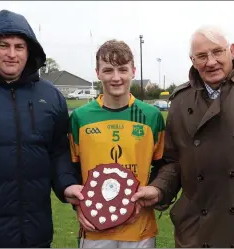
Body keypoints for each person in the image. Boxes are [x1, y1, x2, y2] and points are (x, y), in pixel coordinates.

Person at [131, 26, 234, 248]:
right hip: (197, 231)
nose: (211, 62)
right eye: (201, 56)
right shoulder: (181, 102)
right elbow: (174, 162)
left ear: (232, 51)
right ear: (192, 59)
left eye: (217, 52)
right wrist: (159, 188)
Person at [0, 10, 79, 247]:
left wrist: (66, 185)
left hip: (35, 234)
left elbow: (58, 151)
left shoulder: (51, 96)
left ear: (29, 51)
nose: (12, 54)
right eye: (4, 45)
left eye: (19, 47)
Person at [66, 39, 166, 248]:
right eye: (108, 70)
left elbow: (164, 165)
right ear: (98, 73)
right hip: (94, 229)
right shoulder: (80, 117)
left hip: (140, 229)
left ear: (133, 71)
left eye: (123, 69)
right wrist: (78, 206)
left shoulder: (151, 116)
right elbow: (72, 168)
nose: (116, 77)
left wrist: (155, 190)